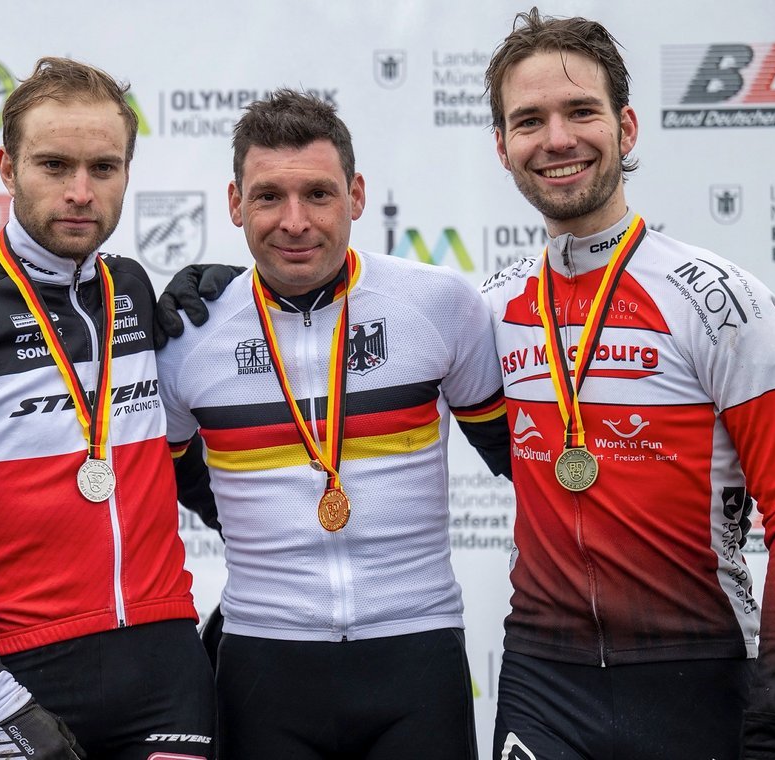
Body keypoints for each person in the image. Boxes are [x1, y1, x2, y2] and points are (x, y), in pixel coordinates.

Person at [0, 57, 215, 760]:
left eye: (104, 167)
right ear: (7, 166)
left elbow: (197, 462)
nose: (80, 192)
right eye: (54, 165)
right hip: (23, 679)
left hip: (165, 673)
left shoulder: (133, 290)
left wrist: (244, 300)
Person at [155, 89, 512, 760]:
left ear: (356, 194)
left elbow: (520, 459)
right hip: (265, 662)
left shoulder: (440, 305)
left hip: (417, 656)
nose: (295, 221)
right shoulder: (186, 338)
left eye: (318, 194)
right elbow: (174, 477)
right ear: (234, 203)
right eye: (268, 197)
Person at [481, 9, 775, 759]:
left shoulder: (721, 299)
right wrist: (233, 294)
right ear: (502, 146)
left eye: (581, 111)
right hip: (541, 678)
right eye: (529, 120)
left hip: (698, 673)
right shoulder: (488, 308)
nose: (556, 139)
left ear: (627, 127)